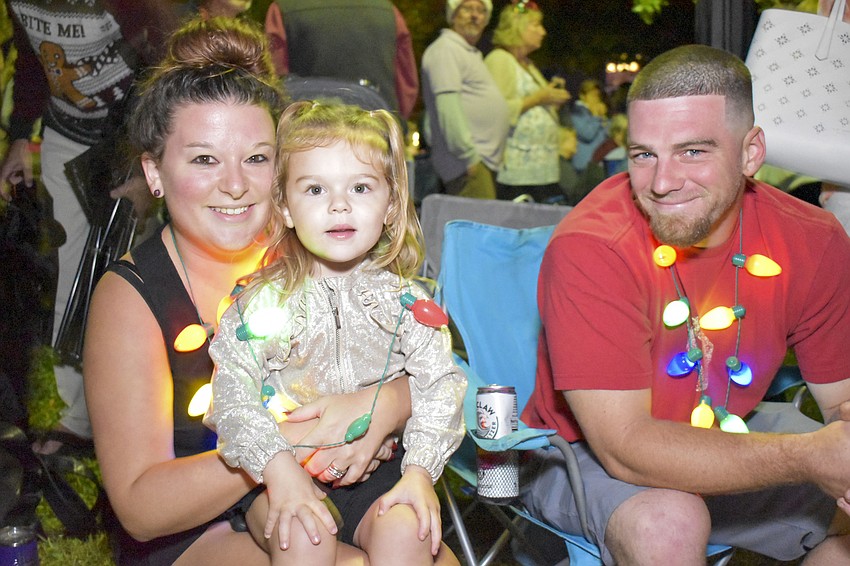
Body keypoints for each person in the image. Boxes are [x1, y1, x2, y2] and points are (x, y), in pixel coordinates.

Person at [84, 18, 412, 565]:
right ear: (155, 171)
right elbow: (141, 507)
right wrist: (289, 443)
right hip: (195, 526)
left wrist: (386, 406)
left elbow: (427, 365)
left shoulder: (318, 252)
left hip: (340, 494)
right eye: (204, 159)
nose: (235, 184)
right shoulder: (132, 296)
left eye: (257, 158)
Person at [520, 44, 850, 565]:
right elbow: (624, 446)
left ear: (750, 153)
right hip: (580, 456)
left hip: (729, 427)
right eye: (643, 154)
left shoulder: (814, 239)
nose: (662, 182)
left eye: (693, 151)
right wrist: (807, 456)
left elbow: (842, 403)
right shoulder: (592, 247)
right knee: (669, 522)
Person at [204, 100, 466, 565]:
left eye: (361, 187)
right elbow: (230, 396)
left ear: (390, 204)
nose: (340, 205)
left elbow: (441, 385)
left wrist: (421, 472)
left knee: (408, 531)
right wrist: (278, 469)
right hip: (281, 469)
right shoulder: (261, 304)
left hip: (385, 470)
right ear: (284, 207)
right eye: (316, 188)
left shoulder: (409, 304)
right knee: (302, 534)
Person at [0, 0, 181, 451]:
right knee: (68, 277)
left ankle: (133, 419)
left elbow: (166, 72)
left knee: (128, 279)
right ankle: (74, 422)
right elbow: (30, 55)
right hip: (68, 133)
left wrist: (146, 171)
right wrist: (21, 135)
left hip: (135, 138)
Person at [257, 0, 418, 120]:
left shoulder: (283, 9)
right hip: (378, 134)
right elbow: (406, 86)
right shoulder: (388, 12)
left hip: (308, 137)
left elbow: (273, 79)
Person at [420, 0, 510, 199]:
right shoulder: (445, 50)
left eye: (481, 11)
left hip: (478, 164)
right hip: (468, 166)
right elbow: (447, 108)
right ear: (453, 15)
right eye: (467, 8)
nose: (475, 15)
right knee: (478, 225)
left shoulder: (466, 52)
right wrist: (469, 157)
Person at [483, 0, 570, 203]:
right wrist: (540, 98)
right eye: (536, 25)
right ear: (518, 26)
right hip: (516, 172)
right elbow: (497, 111)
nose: (543, 32)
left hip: (539, 170)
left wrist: (550, 100)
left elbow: (531, 104)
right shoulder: (500, 59)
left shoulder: (527, 64)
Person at [565, 78, 609, 196]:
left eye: (598, 96)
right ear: (582, 96)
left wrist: (603, 118)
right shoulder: (577, 112)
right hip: (584, 165)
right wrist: (595, 116)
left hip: (597, 164)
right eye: (593, 95)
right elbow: (587, 134)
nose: (596, 99)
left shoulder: (596, 114)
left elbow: (607, 135)